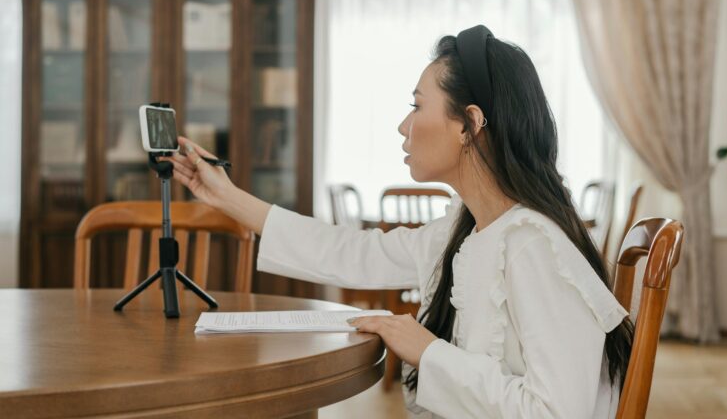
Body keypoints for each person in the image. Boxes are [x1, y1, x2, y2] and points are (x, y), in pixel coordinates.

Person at [165, 25, 634, 419]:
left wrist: (426, 348)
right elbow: (351, 252)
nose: (403, 126)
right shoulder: (468, 228)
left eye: (417, 106)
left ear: (469, 124)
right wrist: (224, 195)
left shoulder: (535, 246)